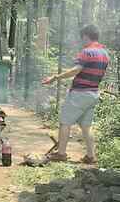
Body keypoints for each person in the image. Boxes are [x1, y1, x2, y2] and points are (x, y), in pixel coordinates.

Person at [42, 24, 110, 164]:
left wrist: (55, 78)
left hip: (80, 94)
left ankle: (61, 153)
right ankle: (91, 156)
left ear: (86, 36)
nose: (81, 41)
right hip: (93, 94)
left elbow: (76, 70)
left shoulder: (87, 52)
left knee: (65, 122)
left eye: (82, 38)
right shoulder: (105, 53)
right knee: (86, 126)